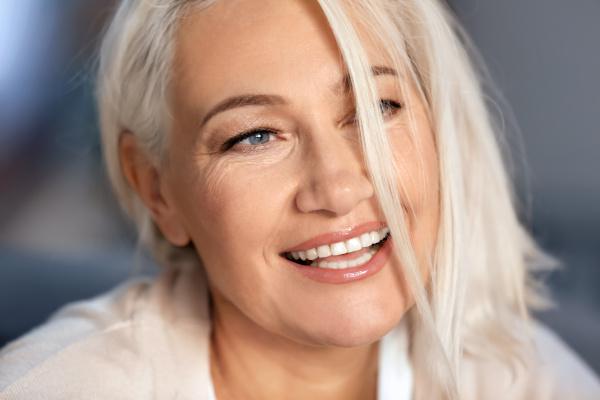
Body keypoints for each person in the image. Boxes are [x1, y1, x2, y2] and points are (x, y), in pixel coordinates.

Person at [1, 0, 599, 399]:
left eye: (375, 106)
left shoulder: (527, 381)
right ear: (156, 188)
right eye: (255, 136)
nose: (339, 189)